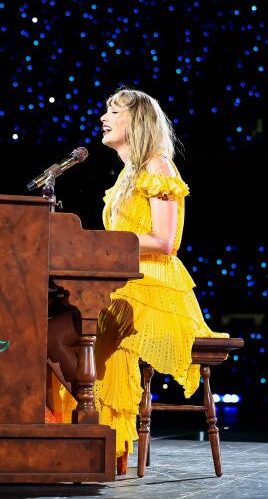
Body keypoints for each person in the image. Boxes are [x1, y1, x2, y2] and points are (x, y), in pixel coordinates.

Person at [49, 87, 229, 474]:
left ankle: (95, 428)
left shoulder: (158, 168)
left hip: (153, 290)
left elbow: (165, 242)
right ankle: (83, 426)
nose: (104, 117)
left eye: (113, 111)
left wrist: (104, 243)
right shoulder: (127, 176)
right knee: (51, 330)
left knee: (71, 335)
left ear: (137, 121)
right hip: (122, 284)